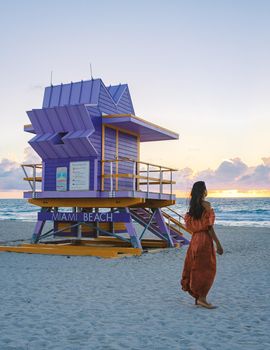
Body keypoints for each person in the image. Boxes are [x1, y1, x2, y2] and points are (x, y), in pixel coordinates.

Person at [181, 181, 223, 309]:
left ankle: (198, 297)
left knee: (195, 268)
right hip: (204, 239)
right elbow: (209, 227)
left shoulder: (193, 207)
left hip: (194, 240)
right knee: (207, 270)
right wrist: (218, 244)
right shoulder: (206, 205)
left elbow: (191, 226)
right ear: (203, 190)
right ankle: (202, 299)